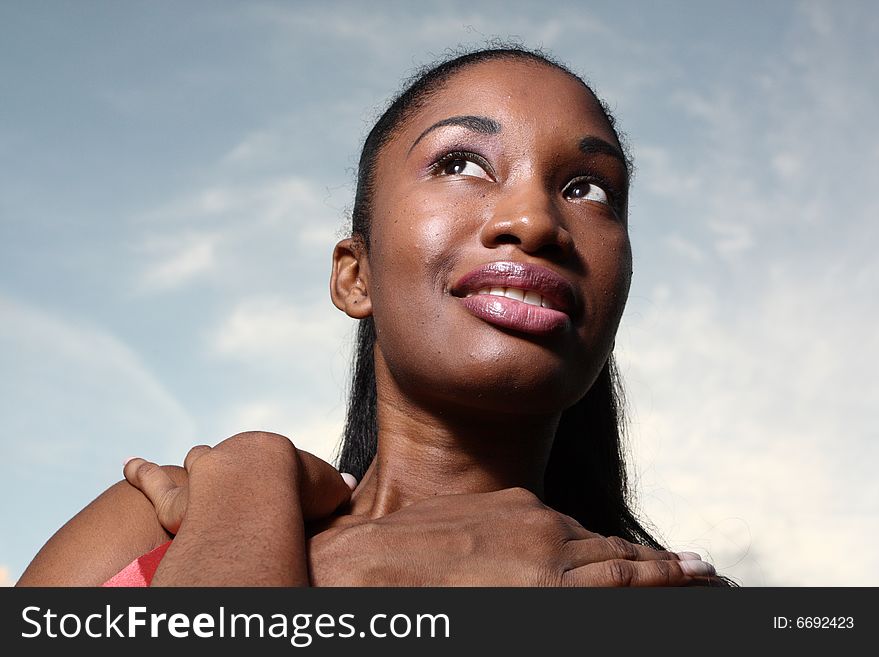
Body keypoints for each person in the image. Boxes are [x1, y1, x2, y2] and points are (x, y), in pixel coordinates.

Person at [17, 45, 729, 587]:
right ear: (354, 276)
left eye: (589, 189)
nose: (533, 219)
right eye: (461, 164)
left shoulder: (666, 596)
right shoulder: (155, 519)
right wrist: (260, 487)